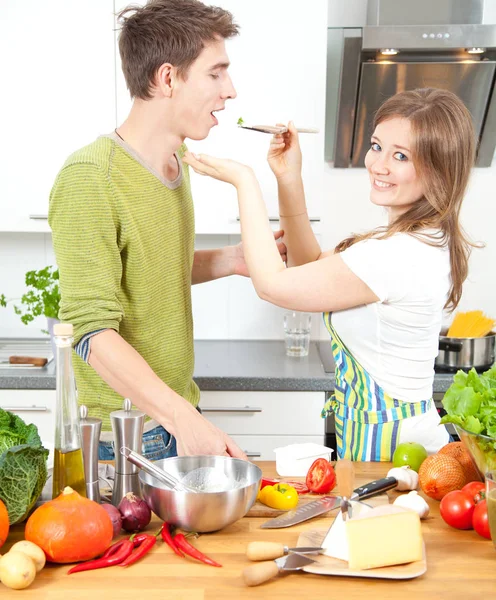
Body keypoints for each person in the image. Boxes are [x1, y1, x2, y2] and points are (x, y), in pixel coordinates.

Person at [183, 88, 478, 461]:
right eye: (377, 146)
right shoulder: (413, 239)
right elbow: (308, 265)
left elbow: (273, 286)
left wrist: (245, 182)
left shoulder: (396, 255)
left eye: (400, 155)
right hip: (387, 437)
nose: (378, 164)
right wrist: (289, 178)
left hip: (399, 447)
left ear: (439, 170)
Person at [49, 0, 286, 461]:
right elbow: (90, 331)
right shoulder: (90, 176)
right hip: (126, 437)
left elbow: (147, 268)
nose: (231, 90)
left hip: (174, 413)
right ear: (167, 78)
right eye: (216, 73)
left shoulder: (177, 165)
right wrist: (181, 418)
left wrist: (229, 259)